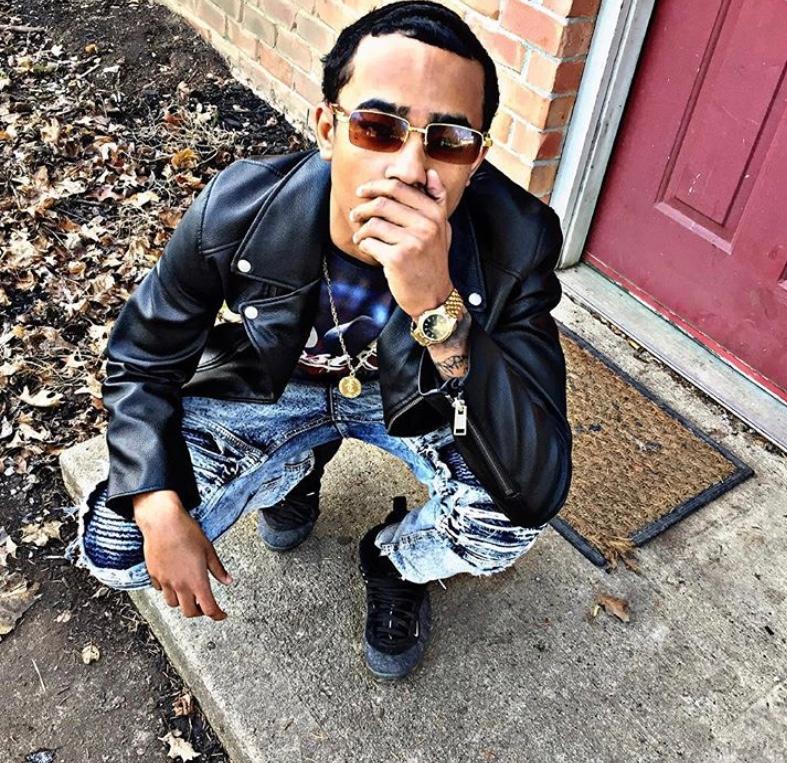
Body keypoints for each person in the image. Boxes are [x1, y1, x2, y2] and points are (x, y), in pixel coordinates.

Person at [65, 0, 573, 681]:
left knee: (501, 527)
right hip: (278, 389)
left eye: (448, 140)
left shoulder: (519, 238)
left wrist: (436, 303)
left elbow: (535, 482)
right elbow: (141, 356)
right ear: (329, 128)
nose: (410, 167)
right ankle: (292, 469)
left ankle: (392, 560)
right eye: (377, 127)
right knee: (118, 547)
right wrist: (156, 504)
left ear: (475, 159)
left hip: (414, 399)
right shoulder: (237, 209)